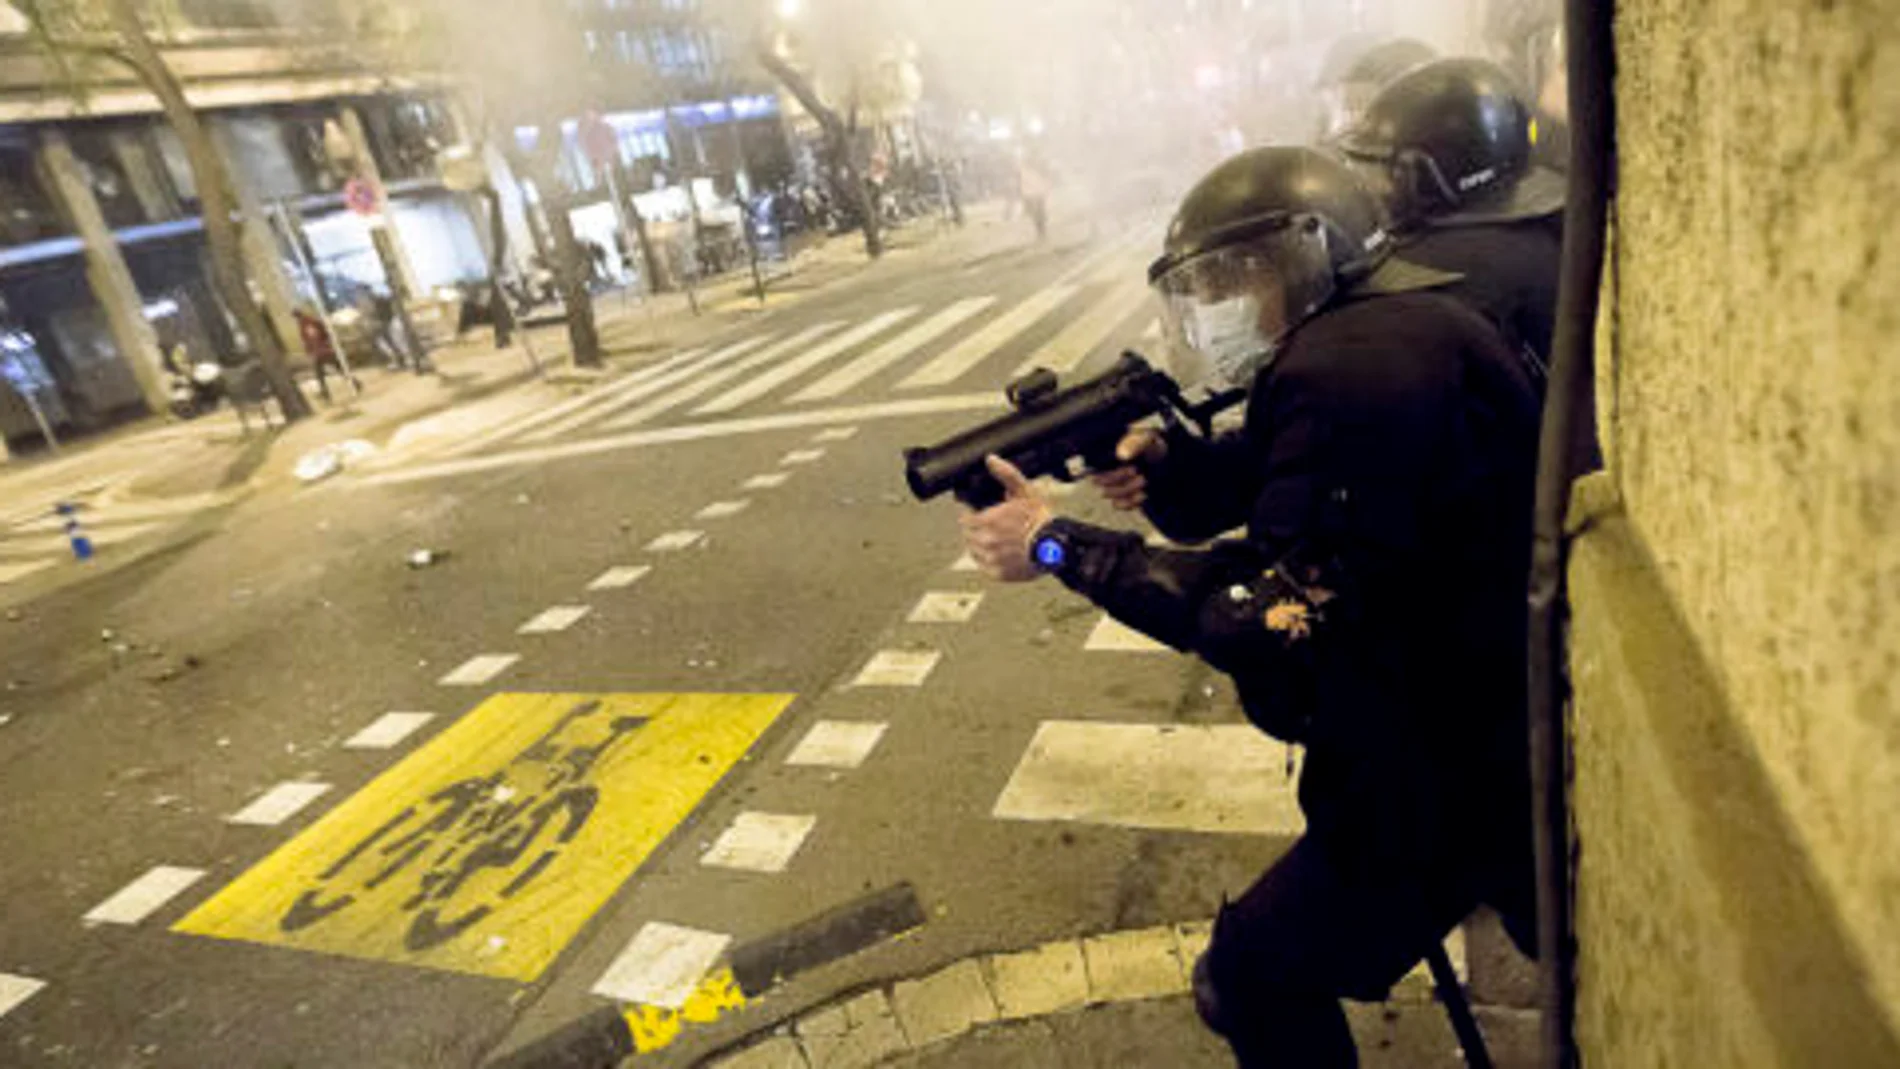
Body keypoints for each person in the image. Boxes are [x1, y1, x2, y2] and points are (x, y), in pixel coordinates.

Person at [956, 146, 1542, 1068]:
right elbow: (1286, 480)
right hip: (1471, 716)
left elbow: (1261, 613)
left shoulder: (1353, 367)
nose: (1226, 303)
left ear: (1312, 254)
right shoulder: (1382, 327)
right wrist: (1164, 467)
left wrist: (1055, 544)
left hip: (1448, 769)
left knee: (1248, 974)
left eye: (1241, 276)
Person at [1335, 56, 1566, 379]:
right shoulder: (1554, 222)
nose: (1374, 188)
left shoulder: (1440, 269)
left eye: (1388, 172)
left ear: (1438, 172)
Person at [295, 306, 356, 402]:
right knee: (336, 368)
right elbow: (323, 332)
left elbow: (309, 340)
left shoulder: (305, 325)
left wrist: (310, 350)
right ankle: (353, 383)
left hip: (320, 352)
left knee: (321, 373)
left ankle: (326, 392)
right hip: (324, 350)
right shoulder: (312, 321)